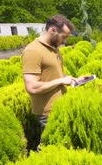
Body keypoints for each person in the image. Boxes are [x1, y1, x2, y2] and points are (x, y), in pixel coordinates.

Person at [21, 14, 86, 151]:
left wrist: (74, 79)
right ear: (52, 30)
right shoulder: (33, 51)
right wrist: (61, 80)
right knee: (48, 148)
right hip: (47, 111)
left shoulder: (53, 49)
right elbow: (31, 87)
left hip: (59, 106)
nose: (65, 41)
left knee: (61, 146)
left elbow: (56, 74)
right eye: (64, 36)